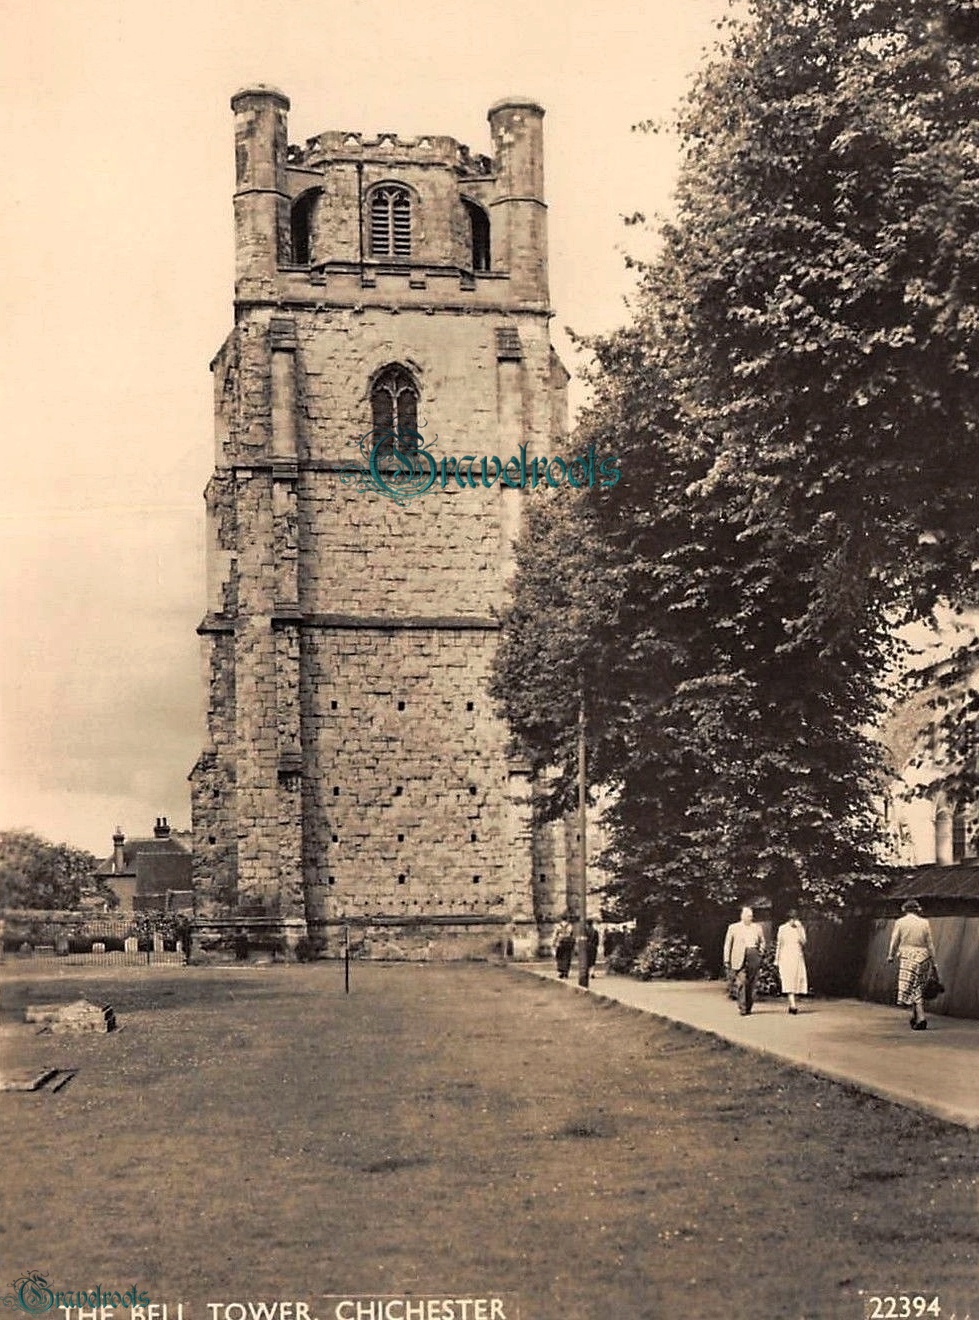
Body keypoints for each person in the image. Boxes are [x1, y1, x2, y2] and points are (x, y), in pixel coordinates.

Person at [887, 898, 939, 1030]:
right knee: (919, 985)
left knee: (912, 987)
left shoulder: (900, 922)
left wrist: (891, 955)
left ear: (904, 910)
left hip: (908, 956)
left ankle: (921, 1017)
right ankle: (915, 1017)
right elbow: (930, 943)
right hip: (924, 956)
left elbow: (895, 940)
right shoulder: (924, 922)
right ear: (917, 910)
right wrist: (934, 962)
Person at [723, 905, 767, 1016]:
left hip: (753, 954)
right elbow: (728, 944)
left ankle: (749, 1006)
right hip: (738, 956)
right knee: (742, 981)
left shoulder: (757, 927)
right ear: (742, 916)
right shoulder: (733, 927)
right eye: (747, 916)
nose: (750, 918)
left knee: (752, 982)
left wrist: (760, 952)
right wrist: (727, 959)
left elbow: (763, 941)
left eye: (751, 916)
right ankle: (742, 1007)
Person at [775, 908, 808, 1015]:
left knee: (796, 980)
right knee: (788, 979)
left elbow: (803, 942)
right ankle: (793, 1005)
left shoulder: (800, 929)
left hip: (797, 956)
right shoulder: (782, 928)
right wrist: (776, 959)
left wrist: (799, 930)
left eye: (795, 919)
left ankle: (791, 1004)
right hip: (786, 957)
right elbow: (779, 944)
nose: (793, 921)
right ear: (788, 919)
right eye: (791, 919)